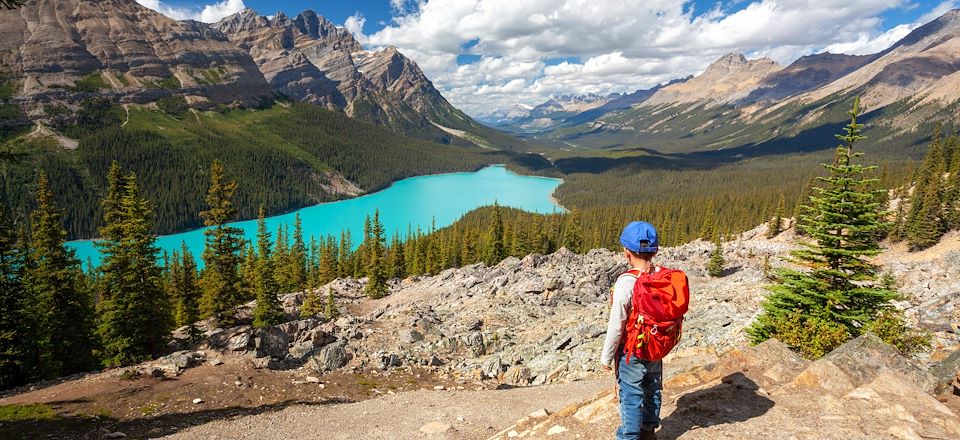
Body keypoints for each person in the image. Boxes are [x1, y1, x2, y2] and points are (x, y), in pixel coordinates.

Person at [601, 221, 663, 440]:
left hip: (631, 351)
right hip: (655, 346)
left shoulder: (626, 283)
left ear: (626, 252)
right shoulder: (663, 276)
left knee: (631, 393)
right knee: (653, 386)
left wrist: (606, 357)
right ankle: (649, 431)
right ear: (655, 250)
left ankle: (629, 436)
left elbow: (616, 324)